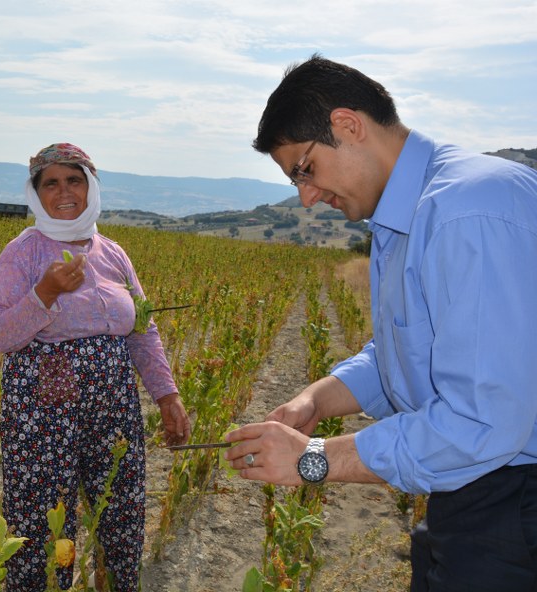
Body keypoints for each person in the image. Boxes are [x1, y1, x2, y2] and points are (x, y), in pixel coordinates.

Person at [224, 55, 537, 591]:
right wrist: (316, 402)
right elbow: (404, 350)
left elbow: (482, 421)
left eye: (304, 169)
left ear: (348, 125)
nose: (306, 196)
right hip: (470, 494)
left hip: (515, 504)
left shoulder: (469, 210)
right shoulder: (404, 218)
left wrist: (314, 459)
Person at [0, 142, 191, 591]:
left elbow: (143, 330)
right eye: (50, 183)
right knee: (43, 525)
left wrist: (167, 395)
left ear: (91, 186)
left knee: (121, 515)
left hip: (114, 410)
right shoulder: (22, 254)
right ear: (35, 193)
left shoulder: (113, 254)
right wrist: (44, 294)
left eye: (74, 180)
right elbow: (1, 333)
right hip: (42, 415)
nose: (63, 192)